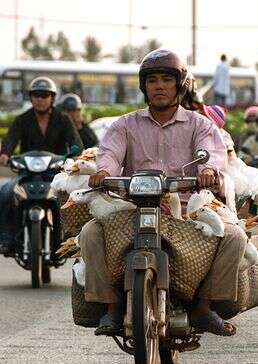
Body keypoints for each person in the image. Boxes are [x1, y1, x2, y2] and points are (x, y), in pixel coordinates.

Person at [83, 49, 246, 337]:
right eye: (152, 80)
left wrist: (207, 171)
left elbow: (210, 153)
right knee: (90, 233)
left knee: (234, 236)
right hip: (134, 206)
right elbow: (109, 153)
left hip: (189, 206)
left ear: (180, 85)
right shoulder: (125, 124)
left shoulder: (200, 124)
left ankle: (203, 307)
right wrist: (104, 172)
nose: (159, 86)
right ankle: (111, 308)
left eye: (167, 80)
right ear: (144, 86)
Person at [0, 76, 83, 253]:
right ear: (31, 98)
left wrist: (76, 156)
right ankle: (6, 238)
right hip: (26, 174)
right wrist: (5, 154)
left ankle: (69, 238)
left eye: (44, 95)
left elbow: (77, 144)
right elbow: (9, 140)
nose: (40, 99)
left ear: (52, 98)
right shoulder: (21, 119)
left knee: (71, 198)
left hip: (55, 174)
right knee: (5, 191)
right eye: (36, 95)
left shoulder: (63, 119)